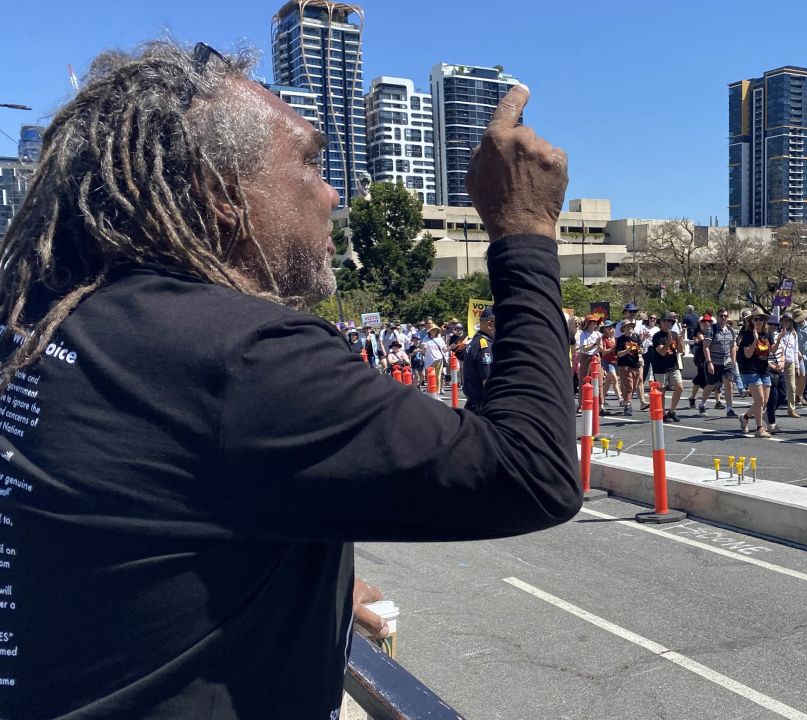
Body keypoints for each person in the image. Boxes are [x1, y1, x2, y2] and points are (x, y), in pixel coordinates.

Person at [0, 44, 580, 719]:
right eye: (309, 160)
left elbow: (130, 532)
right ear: (219, 193)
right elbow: (531, 471)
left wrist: (311, 580)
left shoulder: (46, 321)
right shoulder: (239, 355)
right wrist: (524, 231)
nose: (333, 193)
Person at [737, 310, 773, 437]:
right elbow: (747, 354)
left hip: (764, 369)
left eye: (761, 319)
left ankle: (745, 417)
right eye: (755, 319)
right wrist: (754, 341)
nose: (758, 321)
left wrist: (779, 340)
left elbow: (771, 350)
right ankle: (759, 429)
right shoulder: (747, 335)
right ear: (751, 321)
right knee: (760, 400)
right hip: (750, 370)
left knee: (763, 402)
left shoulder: (767, 334)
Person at [650, 311, 684, 421]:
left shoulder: (674, 334)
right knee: (662, 391)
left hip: (673, 365)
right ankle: (663, 413)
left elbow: (680, 350)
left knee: (679, 387)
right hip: (660, 367)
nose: (667, 323)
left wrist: (680, 339)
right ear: (661, 323)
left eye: (670, 321)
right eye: (665, 321)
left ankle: (672, 411)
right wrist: (668, 342)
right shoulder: (657, 337)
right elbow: (662, 352)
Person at [703, 309, 738, 417]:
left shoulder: (730, 330)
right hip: (714, 362)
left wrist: (733, 361)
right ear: (717, 317)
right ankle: (702, 403)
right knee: (711, 385)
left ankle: (729, 409)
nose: (723, 318)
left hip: (727, 363)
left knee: (729, 385)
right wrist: (709, 362)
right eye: (721, 316)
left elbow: (733, 347)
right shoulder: (711, 330)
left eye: (725, 316)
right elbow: (706, 347)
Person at [764, 311, 788, 432]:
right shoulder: (765, 337)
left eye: (775, 325)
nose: (773, 327)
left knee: (783, 395)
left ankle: (768, 413)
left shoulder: (780, 336)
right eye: (771, 325)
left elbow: (782, 353)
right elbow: (762, 356)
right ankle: (771, 423)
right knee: (773, 397)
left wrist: (782, 363)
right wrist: (771, 365)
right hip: (769, 369)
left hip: (780, 368)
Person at [615, 320, 643, 415]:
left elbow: (641, 349)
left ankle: (627, 401)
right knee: (629, 386)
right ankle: (627, 405)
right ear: (623, 329)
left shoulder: (636, 337)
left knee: (635, 386)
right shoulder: (620, 339)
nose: (630, 328)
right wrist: (628, 349)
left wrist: (640, 350)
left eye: (631, 326)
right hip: (624, 365)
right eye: (628, 326)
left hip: (635, 364)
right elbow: (619, 354)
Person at [690, 313, 713, 414]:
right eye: (704, 321)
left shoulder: (713, 330)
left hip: (711, 356)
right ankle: (694, 398)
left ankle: (694, 398)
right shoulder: (700, 331)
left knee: (711, 380)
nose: (706, 323)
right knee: (700, 378)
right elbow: (703, 341)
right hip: (702, 357)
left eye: (708, 321)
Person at [600, 320, 620, 409]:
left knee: (608, 382)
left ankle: (601, 400)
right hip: (607, 362)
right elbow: (603, 352)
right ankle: (620, 399)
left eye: (612, 327)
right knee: (615, 380)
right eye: (608, 327)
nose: (611, 329)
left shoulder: (616, 338)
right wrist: (612, 349)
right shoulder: (603, 339)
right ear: (605, 330)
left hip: (616, 361)